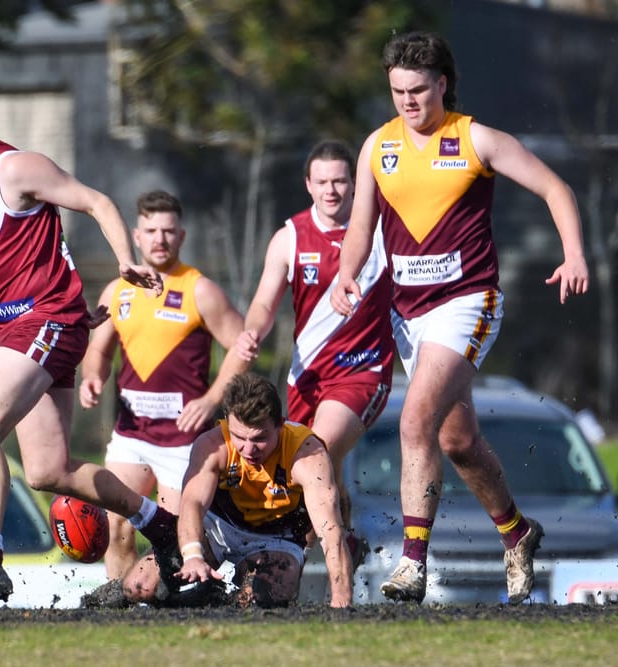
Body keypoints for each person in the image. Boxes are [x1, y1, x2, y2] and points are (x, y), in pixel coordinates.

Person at [0, 84, 185, 611]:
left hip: (43, 321)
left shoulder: (13, 168)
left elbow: (97, 201)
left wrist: (124, 262)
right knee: (49, 471)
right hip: (35, 326)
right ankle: (162, 524)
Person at [330, 31, 589, 604]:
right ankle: (518, 535)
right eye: (398, 91)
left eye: (418, 90)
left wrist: (573, 252)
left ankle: (412, 563)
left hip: (468, 302)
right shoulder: (378, 147)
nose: (408, 102)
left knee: (414, 420)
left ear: (442, 83)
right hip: (409, 314)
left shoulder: (475, 139)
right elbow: (360, 228)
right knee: (458, 440)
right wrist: (348, 272)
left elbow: (556, 187)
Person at [78, 190, 246, 606]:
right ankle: (119, 606)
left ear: (182, 236)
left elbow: (243, 348)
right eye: (151, 230)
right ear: (136, 236)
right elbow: (97, 350)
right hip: (131, 435)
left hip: (183, 444)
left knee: (171, 536)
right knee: (116, 524)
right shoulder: (118, 290)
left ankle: (167, 612)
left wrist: (210, 400)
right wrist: (92, 378)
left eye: (169, 231)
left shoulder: (199, 289)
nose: (160, 239)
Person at [234, 140, 394, 565]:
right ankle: (345, 539)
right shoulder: (290, 237)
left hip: (363, 371)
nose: (331, 190)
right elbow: (265, 302)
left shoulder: (381, 231)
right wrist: (253, 331)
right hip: (306, 378)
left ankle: (326, 556)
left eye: (341, 180)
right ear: (308, 184)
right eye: (322, 181)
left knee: (316, 448)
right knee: (312, 468)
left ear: (354, 184)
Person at [121, 372, 353, 608]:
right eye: (239, 437)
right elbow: (192, 505)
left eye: (259, 438)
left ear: (280, 426)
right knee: (139, 586)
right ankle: (200, 594)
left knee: (260, 599)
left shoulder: (307, 455)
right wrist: (192, 557)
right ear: (228, 422)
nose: (248, 449)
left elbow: (331, 532)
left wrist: (341, 602)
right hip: (217, 529)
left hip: (276, 539)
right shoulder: (213, 445)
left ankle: (218, 598)